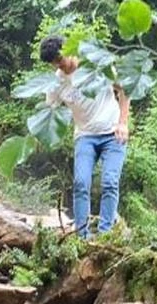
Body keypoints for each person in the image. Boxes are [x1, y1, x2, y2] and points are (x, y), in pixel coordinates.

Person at [39, 35, 131, 239]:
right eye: (55, 64)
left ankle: (106, 233)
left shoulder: (94, 63)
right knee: (81, 183)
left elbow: (124, 89)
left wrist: (123, 123)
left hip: (111, 133)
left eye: (61, 59)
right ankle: (83, 236)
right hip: (84, 136)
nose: (61, 66)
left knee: (109, 182)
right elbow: (49, 110)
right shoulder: (56, 83)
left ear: (69, 49)